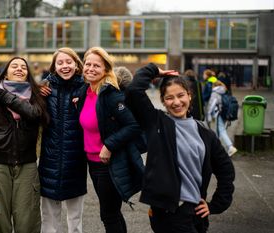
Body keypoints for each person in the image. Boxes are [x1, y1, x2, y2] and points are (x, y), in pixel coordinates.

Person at [125, 63, 235, 233]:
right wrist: (155, 71)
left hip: (196, 214)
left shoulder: (205, 132)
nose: (176, 102)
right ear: (163, 101)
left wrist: (216, 205)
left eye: (181, 95)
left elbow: (226, 170)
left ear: (189, 96)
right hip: (168, 213)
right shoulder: (157, 123)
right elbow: (133, 90)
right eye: (169, 97)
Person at [0, 57, 49, 233]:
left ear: (28, 74)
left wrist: (6, 97)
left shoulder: (36, 97)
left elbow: (35, 115)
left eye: (24, 67)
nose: (19, 69)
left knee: (27, 218)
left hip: (27, 166)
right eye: (14, 66)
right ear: (5, 72)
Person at [76, 47, 144, 233]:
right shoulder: (84, 92)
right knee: (112, 213)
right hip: (92, 162)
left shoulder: (111, 95)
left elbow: (134, 125)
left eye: (96, 65)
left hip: (108, 163)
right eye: (87, 64)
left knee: (108, 214)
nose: (90, 68)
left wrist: (109, 145)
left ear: (106, 70)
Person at [37, 47, 87, 233]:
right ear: (54, 66)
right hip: (49, 161)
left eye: (68, 62)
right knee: (48, 217)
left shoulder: (86, 87)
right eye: (60, 62)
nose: (65, 66)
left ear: (76, 64)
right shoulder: (44, 88)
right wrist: (36, 93)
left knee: (75, 217)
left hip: (76, 161)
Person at [206, 80, 238, 156]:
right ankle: (217, 149)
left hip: (218, 114)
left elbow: (211, 105)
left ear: (214, 86)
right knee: (218, 132)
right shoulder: (224, 91)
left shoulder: (215, 93)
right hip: (223, 113)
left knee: (221, 130)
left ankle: (230, 147)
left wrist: (208, 115)